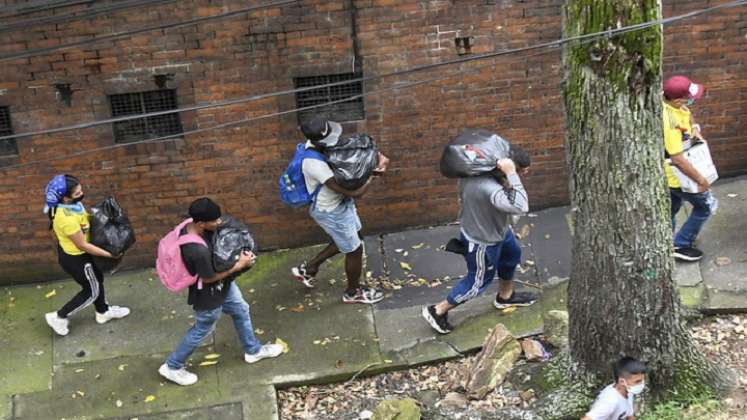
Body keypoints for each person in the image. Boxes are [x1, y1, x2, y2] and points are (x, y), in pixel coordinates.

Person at [159, 198, 282, 386]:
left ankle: (253, 351)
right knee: (203, 328)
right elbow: (208, 278)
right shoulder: (196, 250)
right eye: (215, 221)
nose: (219, 223)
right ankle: (172, 366)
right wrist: (239, 264)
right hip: (208, 292)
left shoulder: (191, 224)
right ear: (201, 223)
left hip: (223, 284)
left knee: (241, 309)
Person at [422, 149, 537, 334]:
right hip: (482, 241)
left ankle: (505, 297)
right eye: (521, 169)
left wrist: (509, 175)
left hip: (498, 230)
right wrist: (511, 174)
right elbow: (521, 206)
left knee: (512, 255)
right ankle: (437, 310)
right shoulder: (487, 187)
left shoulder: (481, 172)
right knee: (479, 280)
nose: (524, 173)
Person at [290, 117, 389, 304]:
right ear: (319, 141)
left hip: (340, 203)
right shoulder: (314, 164)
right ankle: (353, 292)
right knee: (354, 250)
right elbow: (354, 192)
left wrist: (377, 156)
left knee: (351, 239)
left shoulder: (318, 145)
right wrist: (372, 175)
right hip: (331, 210)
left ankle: (309, 268)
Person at [43, 174, 130, 336]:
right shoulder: (65, 219)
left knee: (97, 281)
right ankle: (59, 316)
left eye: (80, 190)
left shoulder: (72, 205)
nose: (81, 194)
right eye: (77, 193)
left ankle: (103, 312)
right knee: (92, 290)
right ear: (65, 198)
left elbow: (86, 221)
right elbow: (82, 244)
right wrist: (110, 255)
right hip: (78, 259)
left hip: (82, 254)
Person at [663, 75, 714, 262]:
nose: (691, 101)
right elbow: (677, 159)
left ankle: (665, 242)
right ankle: (681, 244)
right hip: (677, 176)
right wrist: (701, 181)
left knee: (672, 208)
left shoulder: (669, 101)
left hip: (669, 176)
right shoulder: (668, 122)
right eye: (688, 98)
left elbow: (687, 111)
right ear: (676, 100)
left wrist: (694, 127)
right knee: (704, 207)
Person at [582, 357, 647, 420]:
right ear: (622, 381)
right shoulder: (610, 401)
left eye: (642, 380)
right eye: (637, 381)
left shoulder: (628, 391)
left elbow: (629, 416)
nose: (642, 384)